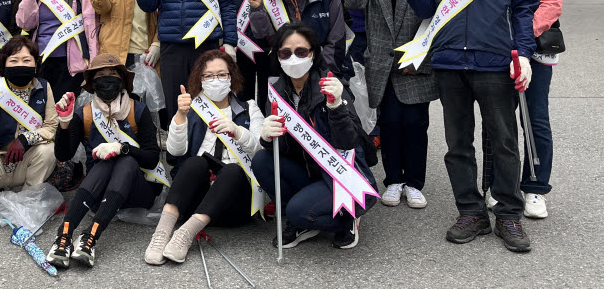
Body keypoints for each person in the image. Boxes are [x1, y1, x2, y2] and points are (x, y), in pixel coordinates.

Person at [397, 0, 539, 253]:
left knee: (505, 142)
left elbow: (525, 8)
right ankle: (471, 212)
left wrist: (523, 54)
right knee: (458, 144)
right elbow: (426, 7)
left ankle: (508, 214)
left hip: (494, 64)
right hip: (449, 65)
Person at [341, 0, 439, 209]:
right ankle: (394, 180)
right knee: (390, 121)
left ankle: (415, 182)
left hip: (416, 59)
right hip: (381, 60)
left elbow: (431, 11)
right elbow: (353, 2)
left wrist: (423, 55)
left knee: (416, 122)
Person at [251, 22, 377, 249]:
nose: (293, 58)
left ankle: (347, 218)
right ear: (277, 57)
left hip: (339, 173)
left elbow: (348, 142)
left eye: (301, 52)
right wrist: (267, 138)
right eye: (285, 53)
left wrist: (337, 106)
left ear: (314, 53)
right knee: (261, 161)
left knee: (297, 211)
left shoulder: (330, 86)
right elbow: (286, 150)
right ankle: (306, 218)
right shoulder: (277, 91)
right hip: (308, 169)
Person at [482, 0, 564, 219]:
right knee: (496, 123)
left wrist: (521, 38)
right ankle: (496, 186)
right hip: (492, 52)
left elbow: (552, 1)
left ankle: (534, 188)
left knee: (535, 118)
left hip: (532, 51)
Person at [144, 50, 264, 265]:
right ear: (199, 79)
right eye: (208, 76)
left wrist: (238, 132)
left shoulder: (250, 108)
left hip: (234, 204)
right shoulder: (192, 109)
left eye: (221, 74)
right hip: (194, 200)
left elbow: (261, 155)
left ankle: (185, 235)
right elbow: (175, 152)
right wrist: (180, 116)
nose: (215, 80)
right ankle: (161, 235)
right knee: (195, 162)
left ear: (231, 77)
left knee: (232, 170)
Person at [46, 54, 163, 269]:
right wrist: (64, 121)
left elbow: (152, 158)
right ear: (92, 84)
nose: (107, 79)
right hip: (98, 192)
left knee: (125, 160)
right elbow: (63, 155)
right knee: (105, 161)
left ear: (122, 81)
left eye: (112, 75)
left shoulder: (138, 110)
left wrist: (123, 148)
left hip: (138, 189)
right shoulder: (85, 114)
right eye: (101, 75)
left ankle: (90, 237)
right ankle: (64, 236)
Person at [0, 36, 59, 224]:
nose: (20, 64)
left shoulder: (43, 86)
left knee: (49, 150)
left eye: (26, 60)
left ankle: (28, 197)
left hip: (24, 163)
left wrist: (25, 139)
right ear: (4, 64)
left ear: (35, 64)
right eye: (14, 60)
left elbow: (51, 126)